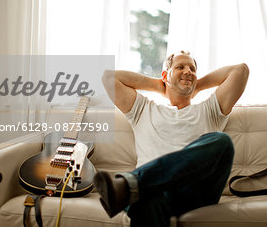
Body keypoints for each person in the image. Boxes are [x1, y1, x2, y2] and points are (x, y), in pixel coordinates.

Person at [95, 51, 249, 227]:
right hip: (152, 193)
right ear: (165, 75)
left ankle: (131, 183)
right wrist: (161, 85)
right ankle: (134, 188)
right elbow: (108, 78)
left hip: (195, 190)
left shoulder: (209, 110)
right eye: (180, 67)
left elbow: (240, 71)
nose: (188, 71)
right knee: (144, 204)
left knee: (222, 142)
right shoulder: (143, 109)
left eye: (192, 68)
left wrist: (195, 85)